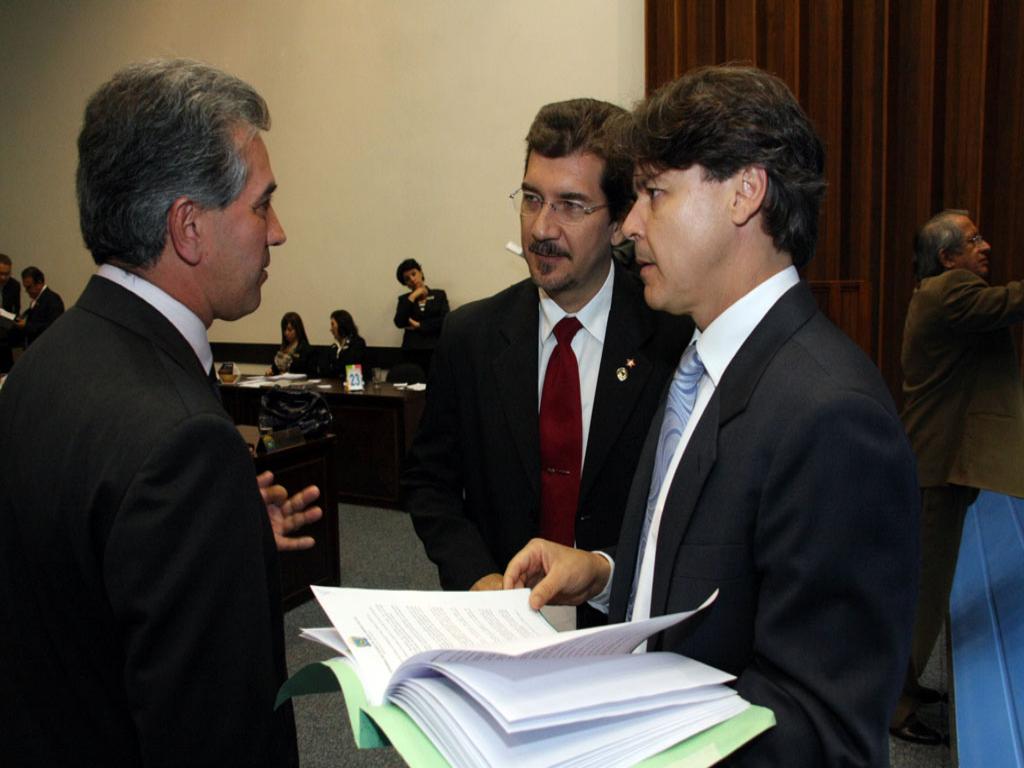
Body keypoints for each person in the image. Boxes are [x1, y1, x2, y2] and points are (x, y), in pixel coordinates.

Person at [504, 65, 920, 766]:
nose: (629, 225)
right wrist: (607, 573)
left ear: (745, 193)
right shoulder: (699, 364)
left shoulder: (833, 417)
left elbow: (824, 731)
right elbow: (718, 576)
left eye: (655, 194)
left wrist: (617, 738)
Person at [0, 59, 322, 767]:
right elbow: (218, 738)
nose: (278, 233)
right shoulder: (184, 443)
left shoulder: (44, 367)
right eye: (262, 205)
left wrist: (221, 551)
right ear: (188, 228)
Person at [403, 98, 691, 628]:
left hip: (624, 632)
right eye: (532, 198)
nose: (541, 227)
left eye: (571, 205)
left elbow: (690, 520)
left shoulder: (673, 344)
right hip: (499, 626)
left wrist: (607, 571)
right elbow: (430, 484)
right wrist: (479, 580)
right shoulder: (471, 337)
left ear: (618, 222)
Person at [891, 210, 1024, 743]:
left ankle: (907, 682)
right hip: (933, 470)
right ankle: (896, 706)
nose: (986, 246)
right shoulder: (951, 292)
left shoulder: (936, 292)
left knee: (928, 585)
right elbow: (1011, 303)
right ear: (947, 257)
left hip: (938, 465)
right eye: (973, 240)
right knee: (922, 592)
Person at [393, 258, 449, 349]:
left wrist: (419, 325)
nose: (412, 279)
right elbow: (399, 322)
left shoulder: (439, 295)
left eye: (413, 274)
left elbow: (445, 320)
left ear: (421, 272)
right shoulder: (404, 300)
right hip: (412, 349)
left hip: (435, 346)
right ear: (406, 284)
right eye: (407, 279)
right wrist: (412, 296)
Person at [14, 265, 64, 346]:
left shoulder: (52, 299)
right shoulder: (38, 300)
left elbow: (54, 326)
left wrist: (27, 325)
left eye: (29, 287)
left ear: (39, 282)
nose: (26, 291)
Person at [318, 308, 366, 377]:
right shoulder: (333, 347)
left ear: (342, 324)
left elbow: (350, 366)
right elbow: (324, 368)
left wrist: (334, 366)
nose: (331, 329)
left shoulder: (357, 343)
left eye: (333, 324)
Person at [0, 253, 19, 372]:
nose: (3, 277)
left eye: (7, 274)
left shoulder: (14, 285)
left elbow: (16, 309)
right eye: (0, 274)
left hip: (5, 334)